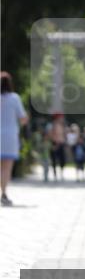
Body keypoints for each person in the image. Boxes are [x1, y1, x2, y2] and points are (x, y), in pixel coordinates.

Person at [1, 72, 29, 205]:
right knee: (6, 168)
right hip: (10, 136)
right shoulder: (14, 98)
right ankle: (4, 193)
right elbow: (23, 119)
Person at [46, 113, 67, 181]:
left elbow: (64, 135)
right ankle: (55, 175)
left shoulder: (62, 125)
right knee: (54, 160)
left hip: (61, 144)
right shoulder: (51, 125)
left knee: (62, 160)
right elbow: (49, 135)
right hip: (54, 143)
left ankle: (61, 173)